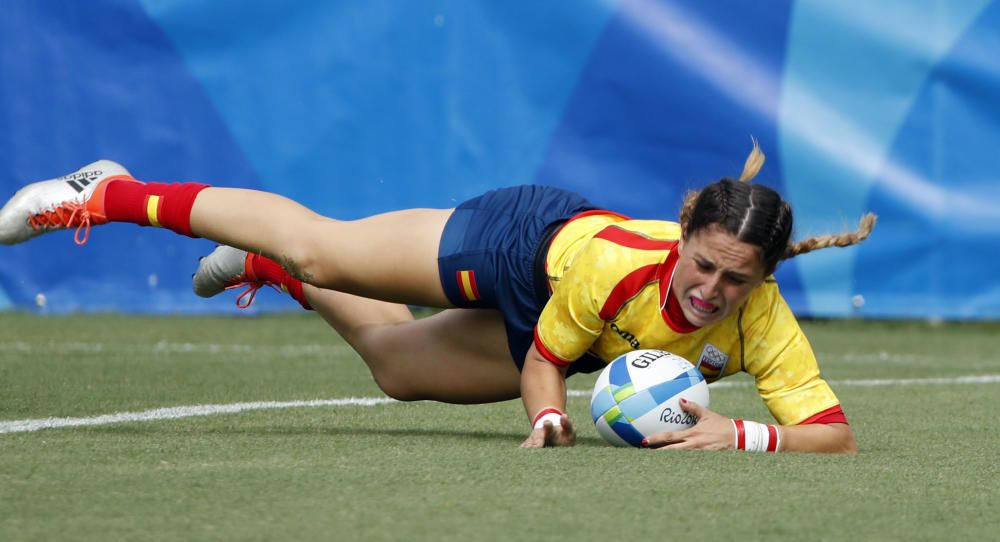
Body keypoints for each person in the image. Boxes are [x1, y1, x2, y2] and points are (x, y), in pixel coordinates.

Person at [0, 143, 875, 452]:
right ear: (684, 233)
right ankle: (105, 191)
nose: (712, 291)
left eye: (737, 280)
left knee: (395, 369)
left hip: (582, 333)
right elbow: (545, 363)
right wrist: (546, 419)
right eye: (705, 265)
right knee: (326, 246)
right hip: (522, 248)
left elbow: (830, 434)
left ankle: (275, 274)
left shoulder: (760, 314)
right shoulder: (617, 264)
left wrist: (744, 434)